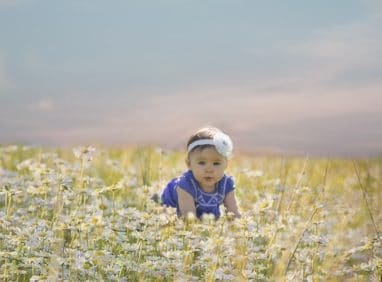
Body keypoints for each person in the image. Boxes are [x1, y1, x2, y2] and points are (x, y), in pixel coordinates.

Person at [161, 126, 241, 219]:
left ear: (226, 164)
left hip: (206, 217)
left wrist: (240, 227)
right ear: (189, 164)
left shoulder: (226, 184)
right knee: (167, 214)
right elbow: (188, 218)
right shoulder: (186, 184)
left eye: (216, 163)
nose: (209, 169)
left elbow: (234, 213)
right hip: (176, 208)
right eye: (202, 163)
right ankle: (156, 199)